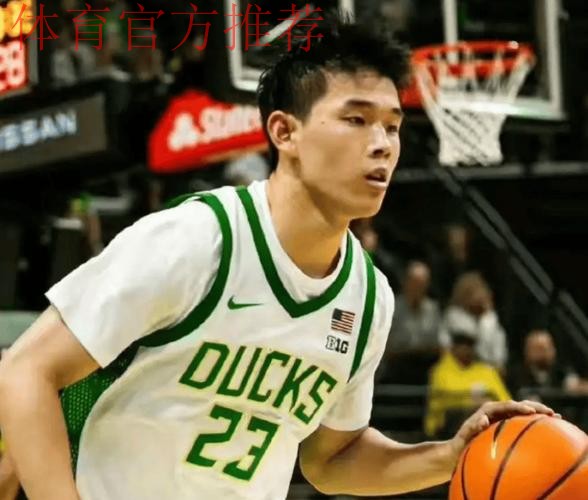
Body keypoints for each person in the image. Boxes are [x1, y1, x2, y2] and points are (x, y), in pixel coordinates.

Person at [0, 13, 555, 500]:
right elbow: (26, 370)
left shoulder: (368, 299)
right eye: (357, 119)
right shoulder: (198, 240)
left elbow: (331, 461)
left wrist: (449, 455)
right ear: (284, 132)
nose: (382, 143)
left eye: (392, 125)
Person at [426, 328, 511, 439]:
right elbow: (445, 399)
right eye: (462, 346)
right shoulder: (440, 371)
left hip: (486, 420)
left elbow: (504, 398)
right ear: (454, 348)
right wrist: (475, 402)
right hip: (448, 424)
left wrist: (487, 403)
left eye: (470, 346)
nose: (467, 350)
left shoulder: (485, 371)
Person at [381, 261, 441, 383]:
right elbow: (386, 343)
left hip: (425, 364)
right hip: (397, 364)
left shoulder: (433, 309)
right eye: (415, 282)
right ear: (406, 282)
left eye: (422, 283)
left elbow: (437, 342)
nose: (418, 287)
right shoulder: (392, 306)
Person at [439, 271, 508, 371]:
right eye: (472, 293)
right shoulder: (454, 316)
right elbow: (446, 348)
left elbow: (499, 359)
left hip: (487, 372)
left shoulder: (491, 319)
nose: (479, 296)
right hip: (459, 371)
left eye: (481, 291)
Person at [507, 329, 588, 399]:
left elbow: (575, 383)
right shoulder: (516, 374)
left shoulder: (561, 370)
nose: (543, 354)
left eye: (546, 348)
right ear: (527, 351)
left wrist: (577, 387)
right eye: (538, 349)